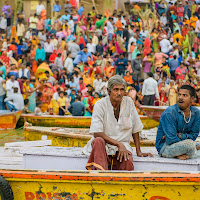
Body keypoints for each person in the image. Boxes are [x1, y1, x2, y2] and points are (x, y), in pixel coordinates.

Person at [83, 75, 152, 170]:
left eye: (122, 90)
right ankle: (101, 177)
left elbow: (136, 128)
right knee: (98, 141)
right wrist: (118, 144)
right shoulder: (100, 104)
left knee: (127, 162)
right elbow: (97, 132)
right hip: (106, 145)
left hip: (123, 147)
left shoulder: (129, 102)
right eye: (115, 89)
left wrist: (138, 151)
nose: (119, 93)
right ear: (108, 91)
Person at [156, 85, 200, 160]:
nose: (180, 97)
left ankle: (187, 152)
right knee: (189, 145)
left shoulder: (196, 113)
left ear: (192, 99)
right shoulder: (169, 112)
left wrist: (179, 135)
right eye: (179, 95)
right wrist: (187, 141)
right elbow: (170, 140)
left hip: (182, 144)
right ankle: (190, 151)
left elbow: (193, 136)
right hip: (166, 147)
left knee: (190, 144)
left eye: (184, 95)